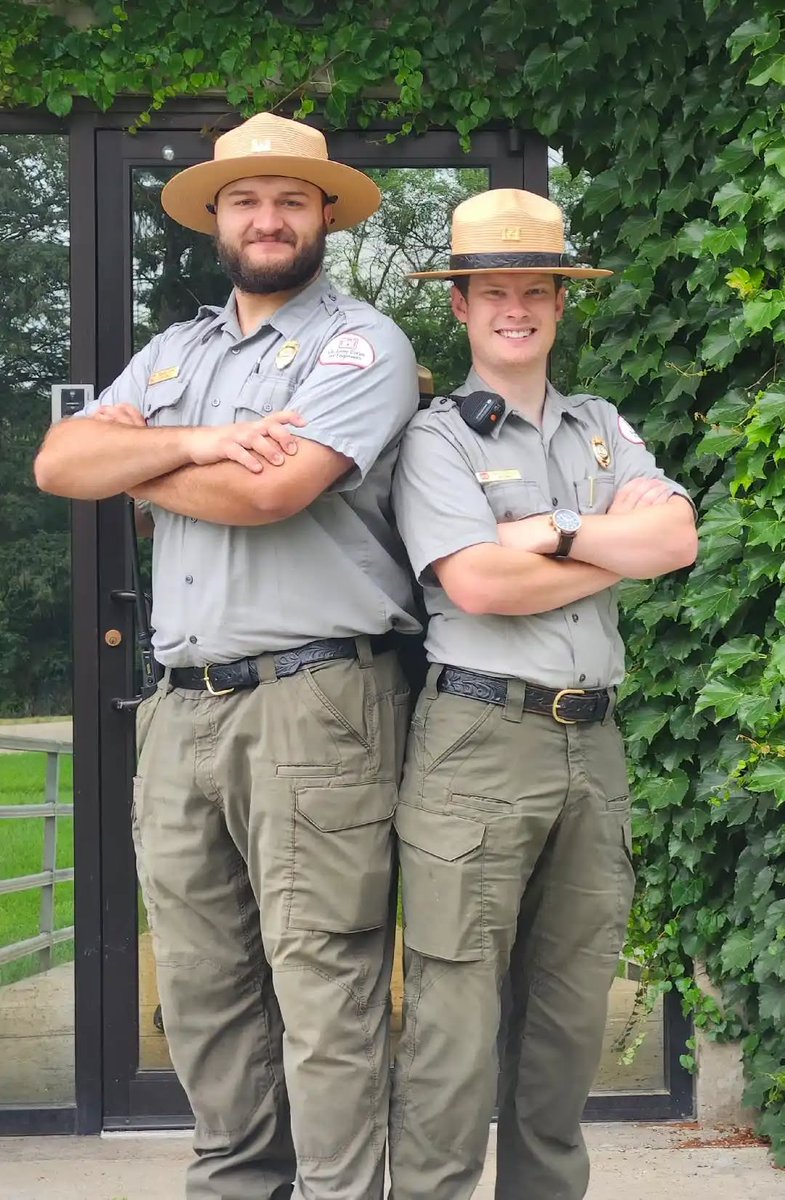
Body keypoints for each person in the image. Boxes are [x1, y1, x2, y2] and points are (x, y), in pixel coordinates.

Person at [36, 112, 420, 1200]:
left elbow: (271, 492)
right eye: (245, 199)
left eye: (291, 198)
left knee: (321, 981)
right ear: (215, 217)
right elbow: (61, 458)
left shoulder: (359, 345)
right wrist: (199, 440)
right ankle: (239, 1184)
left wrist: (135, 465)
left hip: (316, 700)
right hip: (180, 709)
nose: (267, 216)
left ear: (325, 215)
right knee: (203, 984)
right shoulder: (177, 352)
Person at [388, 188, 698, 1200]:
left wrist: (547, 533)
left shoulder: (601, 426)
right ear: (462, 307)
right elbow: (477, 584)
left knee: (564, 1030)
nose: (514, 307)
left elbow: (676, 542)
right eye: (493, 291)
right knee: (453, 1033)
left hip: (589, 750)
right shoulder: (436, 439)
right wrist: (608, 543)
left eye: (535, 289)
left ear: (560, 305)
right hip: (477, 740)